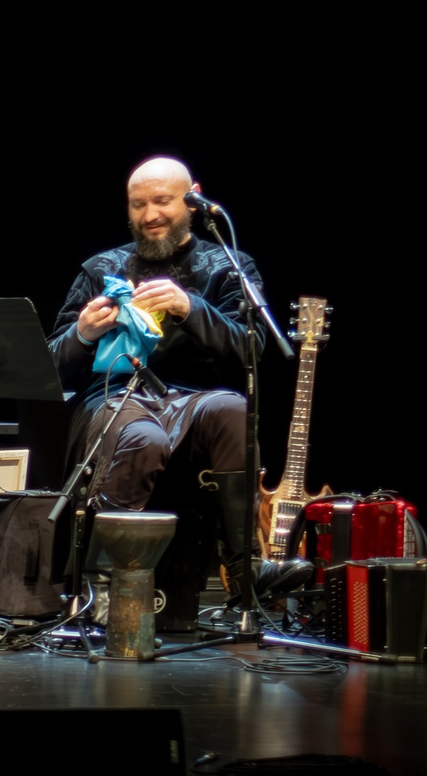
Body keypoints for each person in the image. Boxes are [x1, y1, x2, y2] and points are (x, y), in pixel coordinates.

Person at [47, 155, 275, 607]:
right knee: (143, 436)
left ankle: (246, 571)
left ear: (191, 200)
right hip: (116, 399)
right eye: (137, 205)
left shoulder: (227, 266)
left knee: (231, 408)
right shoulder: (101, 268)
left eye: (162, 201)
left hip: (195, 401)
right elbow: (51, 364)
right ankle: (101, 588)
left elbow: (252, 348)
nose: (149, 214)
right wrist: (84, 332)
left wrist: (191, 308)